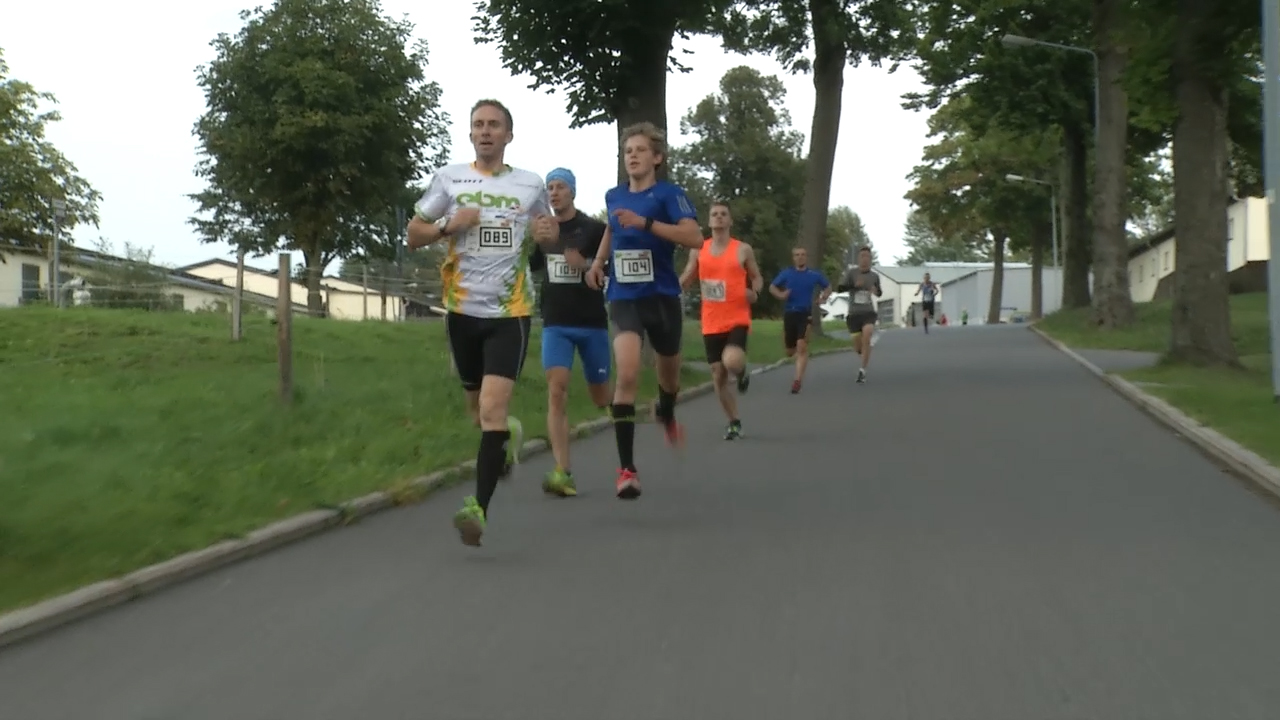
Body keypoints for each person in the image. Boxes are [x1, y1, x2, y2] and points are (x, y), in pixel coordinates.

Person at [407, 98, 558, 546]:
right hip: (461, 312)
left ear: (509, 135)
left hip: (510, 312)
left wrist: (549, 238)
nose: (486, 131)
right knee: (478, 412)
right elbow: (414, 234)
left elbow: (547, 235)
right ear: (470, 134)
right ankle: (506, 437)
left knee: (492, 408)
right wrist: (447, 226)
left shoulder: (530, 185)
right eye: (479, 125)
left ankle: (478, 509)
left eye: (494, 125)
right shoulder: (450, 178)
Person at [585, 121, 703, 500]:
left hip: (663, 296)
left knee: (669, 378)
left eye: (639, 150)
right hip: (624, 296)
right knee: (629, 372)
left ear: (657, 158)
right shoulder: (613, 195)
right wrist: (598, 263)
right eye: (627, 152)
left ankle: (666, 410)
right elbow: (611, 229)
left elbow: (693, 237)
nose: (632, 156)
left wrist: (647, 224)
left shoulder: (669, 195)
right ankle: (626, 470)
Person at [527, 167, 611, 498]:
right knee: (557, 390)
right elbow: (529, 266)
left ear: (573, 191)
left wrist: (587, 265)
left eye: (560, 186)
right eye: (549, 187)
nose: (554, 192)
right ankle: (563, 470)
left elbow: (610, 268)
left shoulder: (593, 229)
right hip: (556, 323)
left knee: (601, 398)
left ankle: (625, 414)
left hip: (591, 324)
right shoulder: (543, 231)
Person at [679, 201, 763, 439]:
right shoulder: (698, 249)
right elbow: (688, 275)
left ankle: (742, 370)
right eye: (714, 214)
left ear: (730, 220)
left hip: (737, 316)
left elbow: (757, 277)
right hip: (711, 320)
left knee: (732, 360)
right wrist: (678, 285)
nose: (718, 217)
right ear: (709, 221)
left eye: (723, 214)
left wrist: (754, 292)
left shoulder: (742, 249)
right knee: (718, 374)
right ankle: (734, 421)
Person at [769, 247, 831, 394]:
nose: (800, 257)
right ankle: (795, 353)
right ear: (793, 258)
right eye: (797, 255)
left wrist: (823, 297)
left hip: (805, 313)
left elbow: (827, 287)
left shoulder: (813, 275)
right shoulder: (787, 274)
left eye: (803, 255)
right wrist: (781, 295)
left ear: (806, 257)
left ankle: (797, 381)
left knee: (802, 346)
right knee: (790, 351)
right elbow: (772, 287)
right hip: (790, 313)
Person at [837, 246, 882, 384]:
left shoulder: (874, 276)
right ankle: (864, 351)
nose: (865, 259)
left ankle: (862, 371)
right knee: (858, 348)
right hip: (853, 314)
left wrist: (875, 290)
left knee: (867, 334)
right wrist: (855, 286)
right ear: (858, 259)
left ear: (870, 259)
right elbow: (839, 289)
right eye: (862, 256)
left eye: (867, 256)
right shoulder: (851, 273)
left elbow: (880, 293)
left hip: (868, 312)